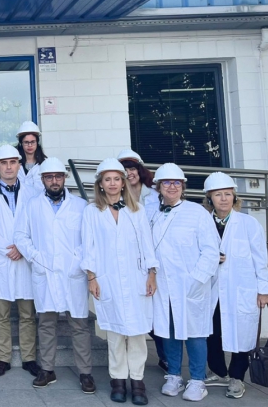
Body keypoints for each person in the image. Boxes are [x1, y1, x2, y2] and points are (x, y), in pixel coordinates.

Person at [14, 157, 96, 393]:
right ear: (43, 180)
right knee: (47, 324)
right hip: (45, 272)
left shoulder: (81, 206)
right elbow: (21, 236)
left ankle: (85, 373)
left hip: (73, 274)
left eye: (58, 176)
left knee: (79, 325)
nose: (54, 181)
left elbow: (88, 239)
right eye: (49, 177)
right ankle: (47, 370)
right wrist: (36, 257)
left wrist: (76, 260)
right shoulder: (32, 205)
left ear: (64, 178)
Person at [81, 158, 158, 405]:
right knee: (114, 333)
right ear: (100, 184)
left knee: (136, 333)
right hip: (107, 279)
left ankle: (137, 381)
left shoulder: (137, 211)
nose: (113, 183)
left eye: (117, 179)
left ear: (123, 183)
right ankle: (118, 380)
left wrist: (152, 273)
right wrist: (91, 277)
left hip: (136, 278)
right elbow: (88, 247)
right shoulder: (92, 212)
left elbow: (147, 244)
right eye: (107, 179)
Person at [150, 163, 220, 402]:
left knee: (195, 332)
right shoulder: (153, 214)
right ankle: (173, 375)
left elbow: (211, 250)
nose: (172, 186)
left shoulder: (197, 212)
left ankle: (198, 380)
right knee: (168, 331)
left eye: (176, 182)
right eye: (167, 182)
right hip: (163, 284)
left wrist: (197, 279)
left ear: (183, 187)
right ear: (158, 186)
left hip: (190, 285)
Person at [202, 172, 268, 399]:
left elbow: (260, 259)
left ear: (234, 197)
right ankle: (218, 371)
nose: (223, 199)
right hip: (211, 289)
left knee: (243, 333)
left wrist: (264, 289)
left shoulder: (248, 224)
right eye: (218, 195)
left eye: (228, 194)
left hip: (242, 289)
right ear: (209, 198)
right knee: (211, 332)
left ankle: (236, 377)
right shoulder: (202, 224)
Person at [0, 145, 41, 378]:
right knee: (1, 314)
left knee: (27, 314)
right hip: (1, 259)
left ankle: (29, 358)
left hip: (25, 260)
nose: (8, 167)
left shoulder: (34, 193)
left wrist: (22, 249)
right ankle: (3, 358)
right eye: (3, 163)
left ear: (19, 165)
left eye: (12, 162)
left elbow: (37, 226)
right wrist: (9, 249)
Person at [117, 149, 164, 372]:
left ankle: (164, 357)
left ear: (140, 169)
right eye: (124, 170)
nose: (129, 173)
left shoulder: (155, 193)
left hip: (156, 257)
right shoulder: (117, 198)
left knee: (158, 313)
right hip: (131, 260)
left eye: (132, 168)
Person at [15, 121, 47, 190]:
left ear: (37, 142)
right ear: (21, 143)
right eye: (26, 142)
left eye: (32, 142)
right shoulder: (15, 164)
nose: (30, 145)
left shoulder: (45, 164)